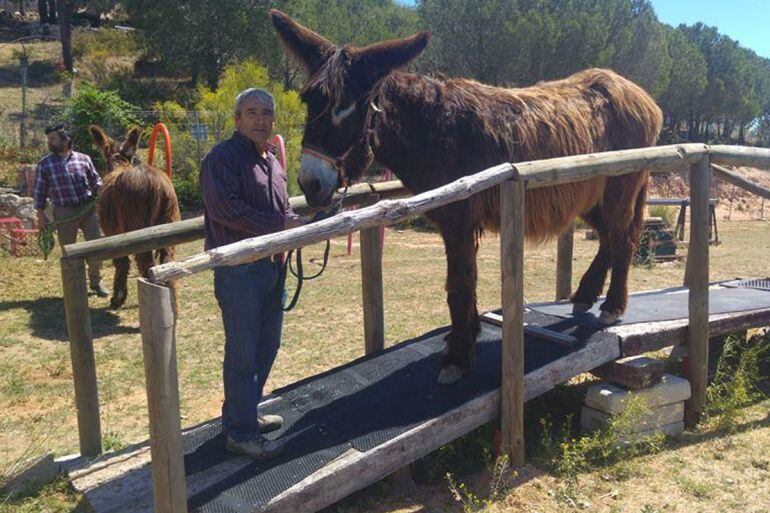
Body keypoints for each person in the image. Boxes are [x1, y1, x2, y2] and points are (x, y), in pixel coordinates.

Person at [200, 88, 304, 460]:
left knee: (266, 346)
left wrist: (292, 223)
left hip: (271, 268)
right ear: (237, 119)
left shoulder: (272, 160)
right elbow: (226, 210)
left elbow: (283, 205)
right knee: (243, 353)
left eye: (266, 113)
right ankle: (241, 433)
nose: (260, 119)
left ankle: (242, 415)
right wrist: (283, 225)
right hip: (239, 273)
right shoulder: (221, 159)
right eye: (252, 112)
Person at [34, 124, 110, 297]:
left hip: (87, 210)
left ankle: (96, 282)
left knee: (96, 247)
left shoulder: (84, 159)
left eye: (53, 138)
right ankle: (75, 285)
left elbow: (95, 181)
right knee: (70, 252)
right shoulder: (45, 164)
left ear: (66, 139)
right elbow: (40, 192)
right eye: (49, 139)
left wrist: (103, 191)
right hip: (64, 213)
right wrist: (41, 216)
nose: (50, 142)